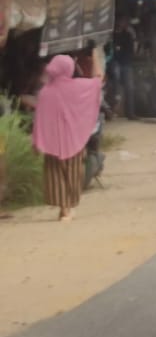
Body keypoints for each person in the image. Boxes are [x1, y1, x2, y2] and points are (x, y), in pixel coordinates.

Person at [29, 54, 103, 222]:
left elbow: (39, 119)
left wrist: (36, 142)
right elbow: (98, 79)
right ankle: (68, 208)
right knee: (74, 173)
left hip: (52, 142)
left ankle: (64, 209)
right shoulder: (79, 87)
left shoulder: (45, 92)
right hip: (74, 139)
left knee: (55, 175)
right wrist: (94, 55)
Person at [113, 15, 137, 119]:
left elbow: (131, 51)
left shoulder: (127, 35)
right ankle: (114, 109)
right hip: (115, 62)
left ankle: (130, 113)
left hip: (126, 63)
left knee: (130, 88)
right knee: (115, 78)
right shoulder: (112, 35)